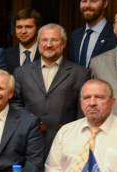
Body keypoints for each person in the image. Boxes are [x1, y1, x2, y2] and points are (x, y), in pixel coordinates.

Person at [11, 23, 89, 157]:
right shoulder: (21, 72)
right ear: (38, 43)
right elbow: (14, 103)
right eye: (44, 40)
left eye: (54, 40)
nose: (48, 45)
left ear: (64, 43)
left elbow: (82, 111)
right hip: (28, 142)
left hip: (65, 143)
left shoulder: (80, 73)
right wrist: (28, 118)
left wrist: (74, 135)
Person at [45, 79, 117, 172]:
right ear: (81, 102)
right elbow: (53, 171)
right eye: (87, 98)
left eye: (99, 97)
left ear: (112, 102)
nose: (92, 103)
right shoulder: (65, 132)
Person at [68, 0, 117, 68]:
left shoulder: (115, 34)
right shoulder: (75, 35)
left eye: (94, 1)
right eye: (84, 1)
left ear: (105, 4)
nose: (87, 5)